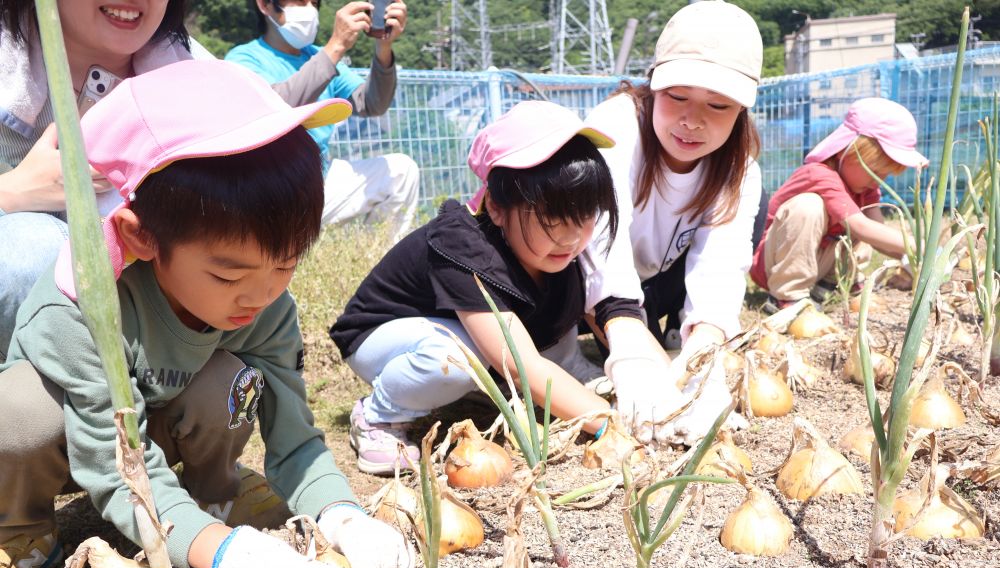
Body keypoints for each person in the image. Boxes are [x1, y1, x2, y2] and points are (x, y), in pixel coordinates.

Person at [0, 61, 414, 568]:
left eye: (287, 263)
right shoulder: (78, 310)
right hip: (78, 444)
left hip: (168, 427)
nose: (263, 293)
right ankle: (17, 529)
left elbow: (294, 434)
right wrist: (225, 556)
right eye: (228, 276)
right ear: (138, 235)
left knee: (232, 383)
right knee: (19, 411)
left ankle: (212, 494)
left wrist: (344, 516)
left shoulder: (266, 307)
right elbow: (120, 465)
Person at [329, 101, 619, 474]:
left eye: (585, 214)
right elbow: (518, 362)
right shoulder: (462, 246)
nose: (573, 236)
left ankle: (564, 380)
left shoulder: (552, 245)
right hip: (385, 339)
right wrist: (610, 425)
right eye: (553, 218)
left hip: (461, 334)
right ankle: (378, 416)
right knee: (456, 360)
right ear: (496, 207)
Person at [580, 0, 764, 446]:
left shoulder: (741, 168)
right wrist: (625, 336)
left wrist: (704, 357)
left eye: (718, 105)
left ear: (741, 109)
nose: (692, 120)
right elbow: (598, 241)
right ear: (653, 85)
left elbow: (719, 266)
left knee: (687, 366)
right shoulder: (614, 127)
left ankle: (666, 354)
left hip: (656, 283)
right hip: (589, 282)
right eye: (677, 96)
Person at [0, 0, 195, 364]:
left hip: (153, 353)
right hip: (31, 368)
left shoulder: (202, 83)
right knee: (28, 253)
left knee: (217, 391)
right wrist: (13, 192)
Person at [227, 0, 419, 240]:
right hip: (272, 193)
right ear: (265, 5)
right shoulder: (243, 59)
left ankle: (379, 259)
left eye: (313, 2)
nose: (308, 8)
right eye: (298, 1)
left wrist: (383, 47)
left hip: (321, 180)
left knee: (402, 171)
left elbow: (371, 103)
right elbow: (275, 109)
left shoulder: (319, 55)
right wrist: (336, 46)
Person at [749, 97, 928, 312]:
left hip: (817, 260)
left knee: (871, 229)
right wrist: (919, 244)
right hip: (774, 263)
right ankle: (787, 297)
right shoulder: (819, 174)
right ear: (847, 151)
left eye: (885, 174)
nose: (878, 179)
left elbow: (879, 234)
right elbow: (862, 227)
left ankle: (830, 283)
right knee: (810, 207)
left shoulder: (866, 188)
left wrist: (910, 257)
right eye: (875, 170)